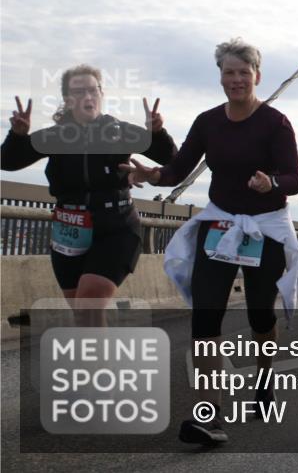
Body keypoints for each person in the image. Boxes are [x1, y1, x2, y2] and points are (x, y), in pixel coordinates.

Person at [123, 38, 298, 446]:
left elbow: (294, 179)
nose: (237, 79)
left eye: (244, 72)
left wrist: (271, 182)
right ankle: (209, 414)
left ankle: (264, 379)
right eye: (229, 72)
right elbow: (177, 170)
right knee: (206, 317)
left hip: (265, 228)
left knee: (262, 314)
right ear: (221, 77)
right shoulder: (208, 122)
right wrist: (150, 175)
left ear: (257, 76)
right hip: (221, 224)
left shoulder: (275, 123)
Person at [2, 67, 176, 326]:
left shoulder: (119, 131)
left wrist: (157, 133)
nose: (88, 96)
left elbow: (171, 159)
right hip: (69, 230)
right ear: (68, 99)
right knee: (85, 315)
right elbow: (8, 161)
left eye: (93, 90)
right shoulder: (55, 135)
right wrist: (17, 136)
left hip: (116, 227)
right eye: (79, 91)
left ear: (101, 94)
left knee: (89, 301)